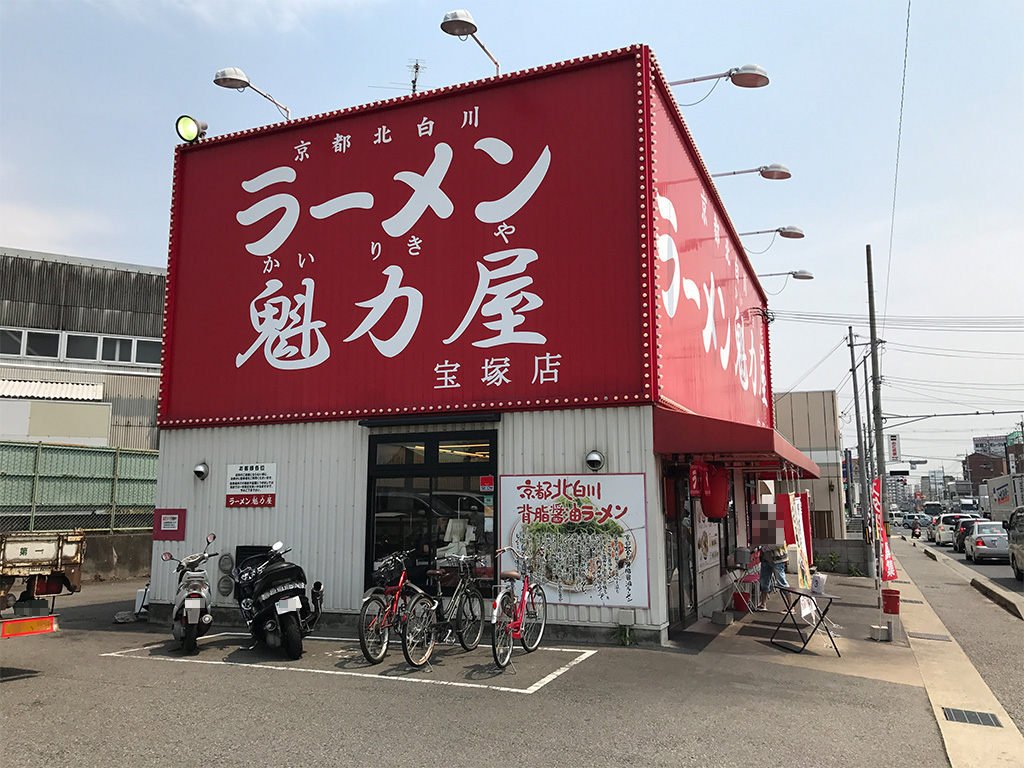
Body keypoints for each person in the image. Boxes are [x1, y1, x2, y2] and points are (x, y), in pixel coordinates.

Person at [757, 543, 790, 611]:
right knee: (764, 582)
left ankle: (791, 607)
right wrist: (748, 549)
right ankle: (763, 604)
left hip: (778, 559)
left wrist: (765, 548)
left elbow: (779, 544)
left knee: (781, 582)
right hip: (765, 559)